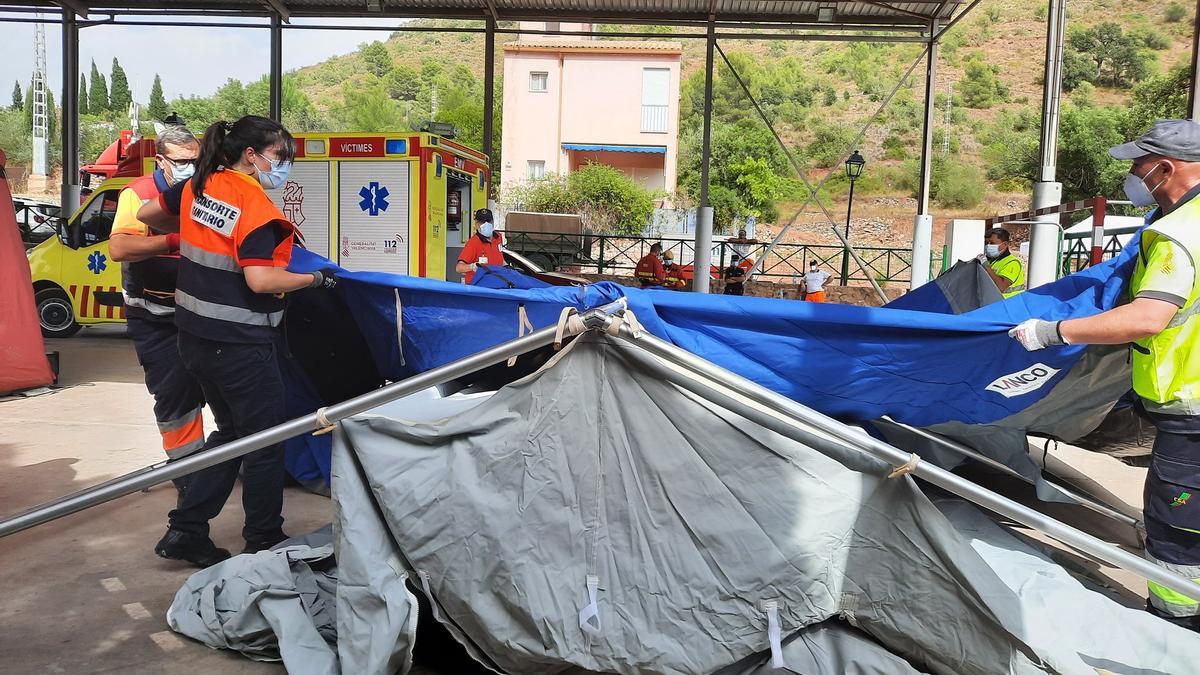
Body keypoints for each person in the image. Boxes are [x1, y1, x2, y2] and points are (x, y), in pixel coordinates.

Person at [1009, 119, 1200, 629]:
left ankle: (1173, 627)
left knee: (1177, 527)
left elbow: (1148, 317)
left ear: (1166, 167)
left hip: (1192, 412)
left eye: (1140, 164)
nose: (1133, 173)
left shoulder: (1180, 233)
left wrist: (1053, 332)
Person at [138, 116, 336, 567]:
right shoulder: (255, 204)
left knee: (231, 435)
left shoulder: (199, 186)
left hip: (195, 338)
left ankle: (186, 530)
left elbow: (148, 213)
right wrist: (314, 279)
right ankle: (264, 541)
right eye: (279, 158)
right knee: (265, 442)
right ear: (252, 155)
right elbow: (262, 279)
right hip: (240, 343)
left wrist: (183, 231)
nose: (282, 167)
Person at [108, 125, 205, 491]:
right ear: (161, 160)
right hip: (156, 317)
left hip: (200, 313)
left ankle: (215, 463)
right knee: (175, 393)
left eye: (195, 161)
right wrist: (172, 240)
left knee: (220, 389)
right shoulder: (140, 195)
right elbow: (119, 248)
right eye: (182, 162)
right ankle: (188, 477)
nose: (190, 168)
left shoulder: (204, 190)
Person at [456, 209, 504, 285]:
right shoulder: (473, 242)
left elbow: (500, 257)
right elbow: (459, 268)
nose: (486, 224)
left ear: (492, 222)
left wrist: (507, 267)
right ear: (476, 224)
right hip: (477, 286)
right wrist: (472, 267)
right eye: (482, 222)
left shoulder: (498, 237)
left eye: (488, 221)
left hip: (496, 283)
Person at [982, 228, 1025, 298]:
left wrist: (986, 266)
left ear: (1005, 244)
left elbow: (1001, 287)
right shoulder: (992, 261)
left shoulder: (1013, 263)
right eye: (986, 243)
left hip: (1009, 305)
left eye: (992, 243)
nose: (988, 246)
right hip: (994, 305)